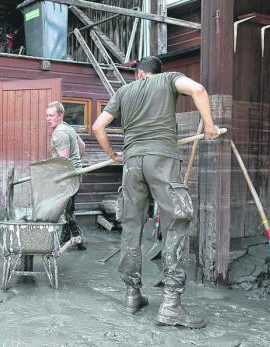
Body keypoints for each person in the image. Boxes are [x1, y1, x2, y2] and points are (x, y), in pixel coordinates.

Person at [92, 56, 219, 328]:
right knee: (177, 221)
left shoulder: (124, 91)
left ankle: (132, 295)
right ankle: (172, 305)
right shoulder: (169, 78)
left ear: (139, 74)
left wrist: (114, 154)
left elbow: (97, 127)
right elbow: (198, 90)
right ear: (155, 73)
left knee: (131, 227)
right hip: (161, 158)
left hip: (132, 164)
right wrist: (209, 127)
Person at [46, 101, 87, 250]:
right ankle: (66, 239)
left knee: (66, 212)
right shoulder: (68, 128)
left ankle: (79, 240)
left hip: (68, 177)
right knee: (68, 210)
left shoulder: (59, 133)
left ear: (60, 115)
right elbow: (82, 146)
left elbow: (64, 162)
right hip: (75, 174)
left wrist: (56, 179)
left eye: (51, 115)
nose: (48, 119)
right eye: (47, 116)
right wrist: (77, 162)